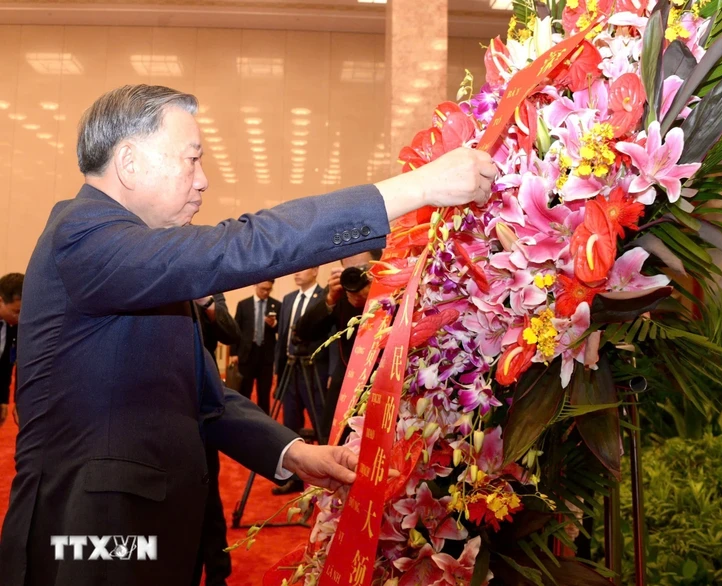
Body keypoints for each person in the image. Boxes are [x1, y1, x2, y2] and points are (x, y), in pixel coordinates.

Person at [0, 84, 495, 586]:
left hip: (149, 536)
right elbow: (238, 244)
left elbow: (202, 401)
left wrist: (296, 452)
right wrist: (417, 188)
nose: (203, 181)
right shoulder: (81, 235)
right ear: (128, 162)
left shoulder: (134, 259)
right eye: (191, 160)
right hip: (91, 541)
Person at [295, 250, 380, 444]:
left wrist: (372, 298)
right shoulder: (341, 292)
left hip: (382, 387)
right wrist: (330, 299)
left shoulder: (396, 290)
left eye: (364, 269)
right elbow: (304, 331)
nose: (357, 276)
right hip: (345, 389)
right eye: (351, 270)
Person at [193, 292, 240, 586]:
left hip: (201, 406)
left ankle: (217, 571)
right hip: (157, 404)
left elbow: (231, 333)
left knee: (208, 493)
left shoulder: (208, 286)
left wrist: (207, 304)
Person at [272, 267, 328, 495]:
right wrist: (278, 367)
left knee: (320, 426)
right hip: (290, 369)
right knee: (290, 426)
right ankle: (294, 479)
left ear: (315, 270)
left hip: (314, 371)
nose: (296, 273)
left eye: (303, 269)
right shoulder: (288, 299)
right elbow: (282, 338)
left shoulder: (325, 297)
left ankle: (325, 479)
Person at [231, 280, 281, 414]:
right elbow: (236, 330)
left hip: (266, 356)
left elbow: (281, 330)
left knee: (264, 393)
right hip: (247, 354)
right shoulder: (243, 305)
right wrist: (233, 353)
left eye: (269, 290)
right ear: (255, 285)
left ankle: (264, 422)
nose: (265, 292)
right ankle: (242, 417)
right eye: (263, 289)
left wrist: (274, 324)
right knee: (244, 391)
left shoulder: (276, 305)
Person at [0, 272, 23, 428]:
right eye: (16, 312)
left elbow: (7, 366)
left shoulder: (13, 327)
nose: (20, 318)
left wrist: (4, 400)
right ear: (1, 301)